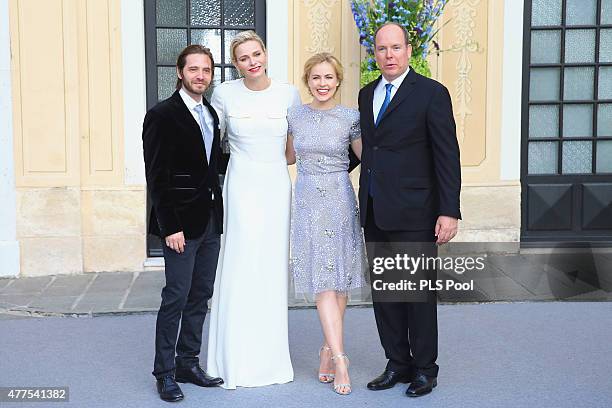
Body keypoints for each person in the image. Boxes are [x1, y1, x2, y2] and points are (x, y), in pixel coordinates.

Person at [358, 22, 461, 397]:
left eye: (395, 48)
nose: (388, 55)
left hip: (417, 211)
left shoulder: (431, 93)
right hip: (374, 209)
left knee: (416, 293)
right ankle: (397, 364)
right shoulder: (366, 93)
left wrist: (449, 211)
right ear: (375, 52)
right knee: (385, 293)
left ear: (408, 49)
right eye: (382, 49)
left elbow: (447, 154)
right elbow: (370, 150)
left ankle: (425, 369)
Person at [206, 30, 301, 389]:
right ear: (235, 63)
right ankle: (233, 358)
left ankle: (270, 361)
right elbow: (209, 140)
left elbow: (292, 150)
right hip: (242, 187)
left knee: (271, 267)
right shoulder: (225, 93)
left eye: (256, 53)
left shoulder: (288, 93)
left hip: (276, 187)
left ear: (266, 53)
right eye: (244, 57)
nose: (252, 61)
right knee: (241, 265)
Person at [142, 45, 225, 402]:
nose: (201, 76)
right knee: (175, 296)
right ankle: (164, 372)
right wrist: (169, 226)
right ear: (180, 72)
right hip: (180, 225)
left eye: (206, 70)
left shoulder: (210, 114)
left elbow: (212, 167)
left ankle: (188, 362)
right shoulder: (162, 115)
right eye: (194, 69)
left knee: (200, 295)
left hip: (209, 221)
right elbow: (157, 177)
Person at [286, 53, 368, 396]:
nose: (322, 83)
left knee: (340, 281)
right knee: (323, 282)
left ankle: (326, 350)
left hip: (339, 198)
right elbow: (287, 157)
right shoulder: (294, 115)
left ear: (338, 81)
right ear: (308, 81)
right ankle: (340, 357)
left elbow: (368, 157)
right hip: (307, 201)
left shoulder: (351, 118)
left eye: (329, 78)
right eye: (316, 77)